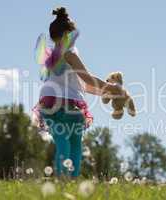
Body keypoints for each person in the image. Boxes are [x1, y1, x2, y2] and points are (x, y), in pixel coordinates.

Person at [33, 7, 122, 177]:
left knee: (62, 140)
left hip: (49, 103)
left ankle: (63, 178)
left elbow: (83, 85)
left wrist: (106, 93)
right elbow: (87, 79)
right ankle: (68, 179)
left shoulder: (50, 56)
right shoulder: (70, 54)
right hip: (69, 104)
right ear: (67, 35)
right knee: (74, 143)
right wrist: (112, 88)